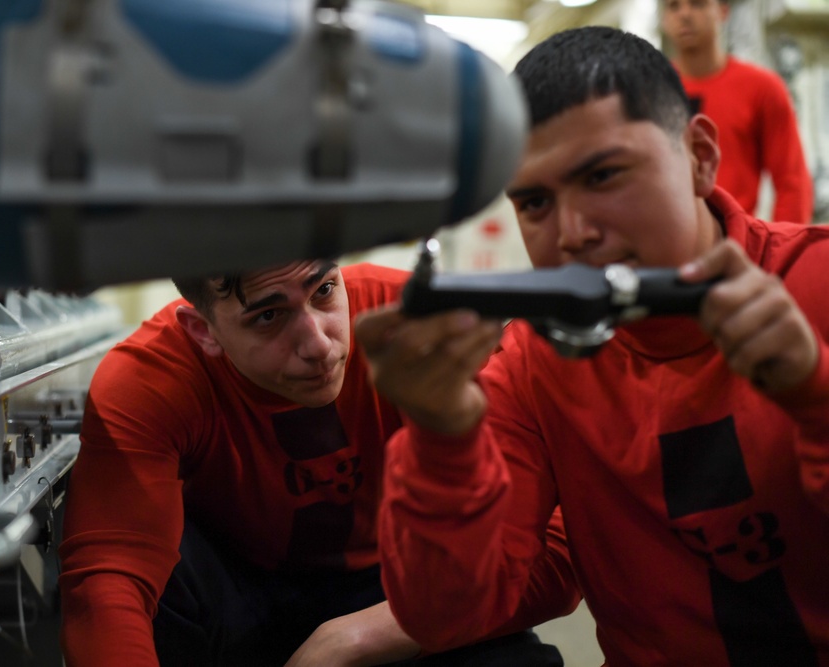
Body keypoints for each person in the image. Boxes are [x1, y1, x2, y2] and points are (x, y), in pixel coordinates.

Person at [358, 26, 829, 665]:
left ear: (699, 156)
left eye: (604, 175)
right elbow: (447, 616)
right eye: (534, 202)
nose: (573, 234)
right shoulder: (532, 364)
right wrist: (441, 442)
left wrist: (814, 393)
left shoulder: (817, 283)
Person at [58, 259, 579, 666]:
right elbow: (107, 583)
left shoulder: (415, 324)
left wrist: (354, 639)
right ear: (204, 331)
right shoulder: (150, 379)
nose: (318, 343)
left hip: (411, 590)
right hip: (245, 602)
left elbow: (559, 549)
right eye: (268, 315)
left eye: (324, 291)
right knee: (161, 571)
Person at [660, 0, 813, 224]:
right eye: (674, 6)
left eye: (697, 4)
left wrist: (779, 253)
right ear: (664, 19)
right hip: (664, 244)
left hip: (735, 244)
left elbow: (793, 182)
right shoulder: (650, 89)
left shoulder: (762, 88)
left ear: (722, 12)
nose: (685, 15)